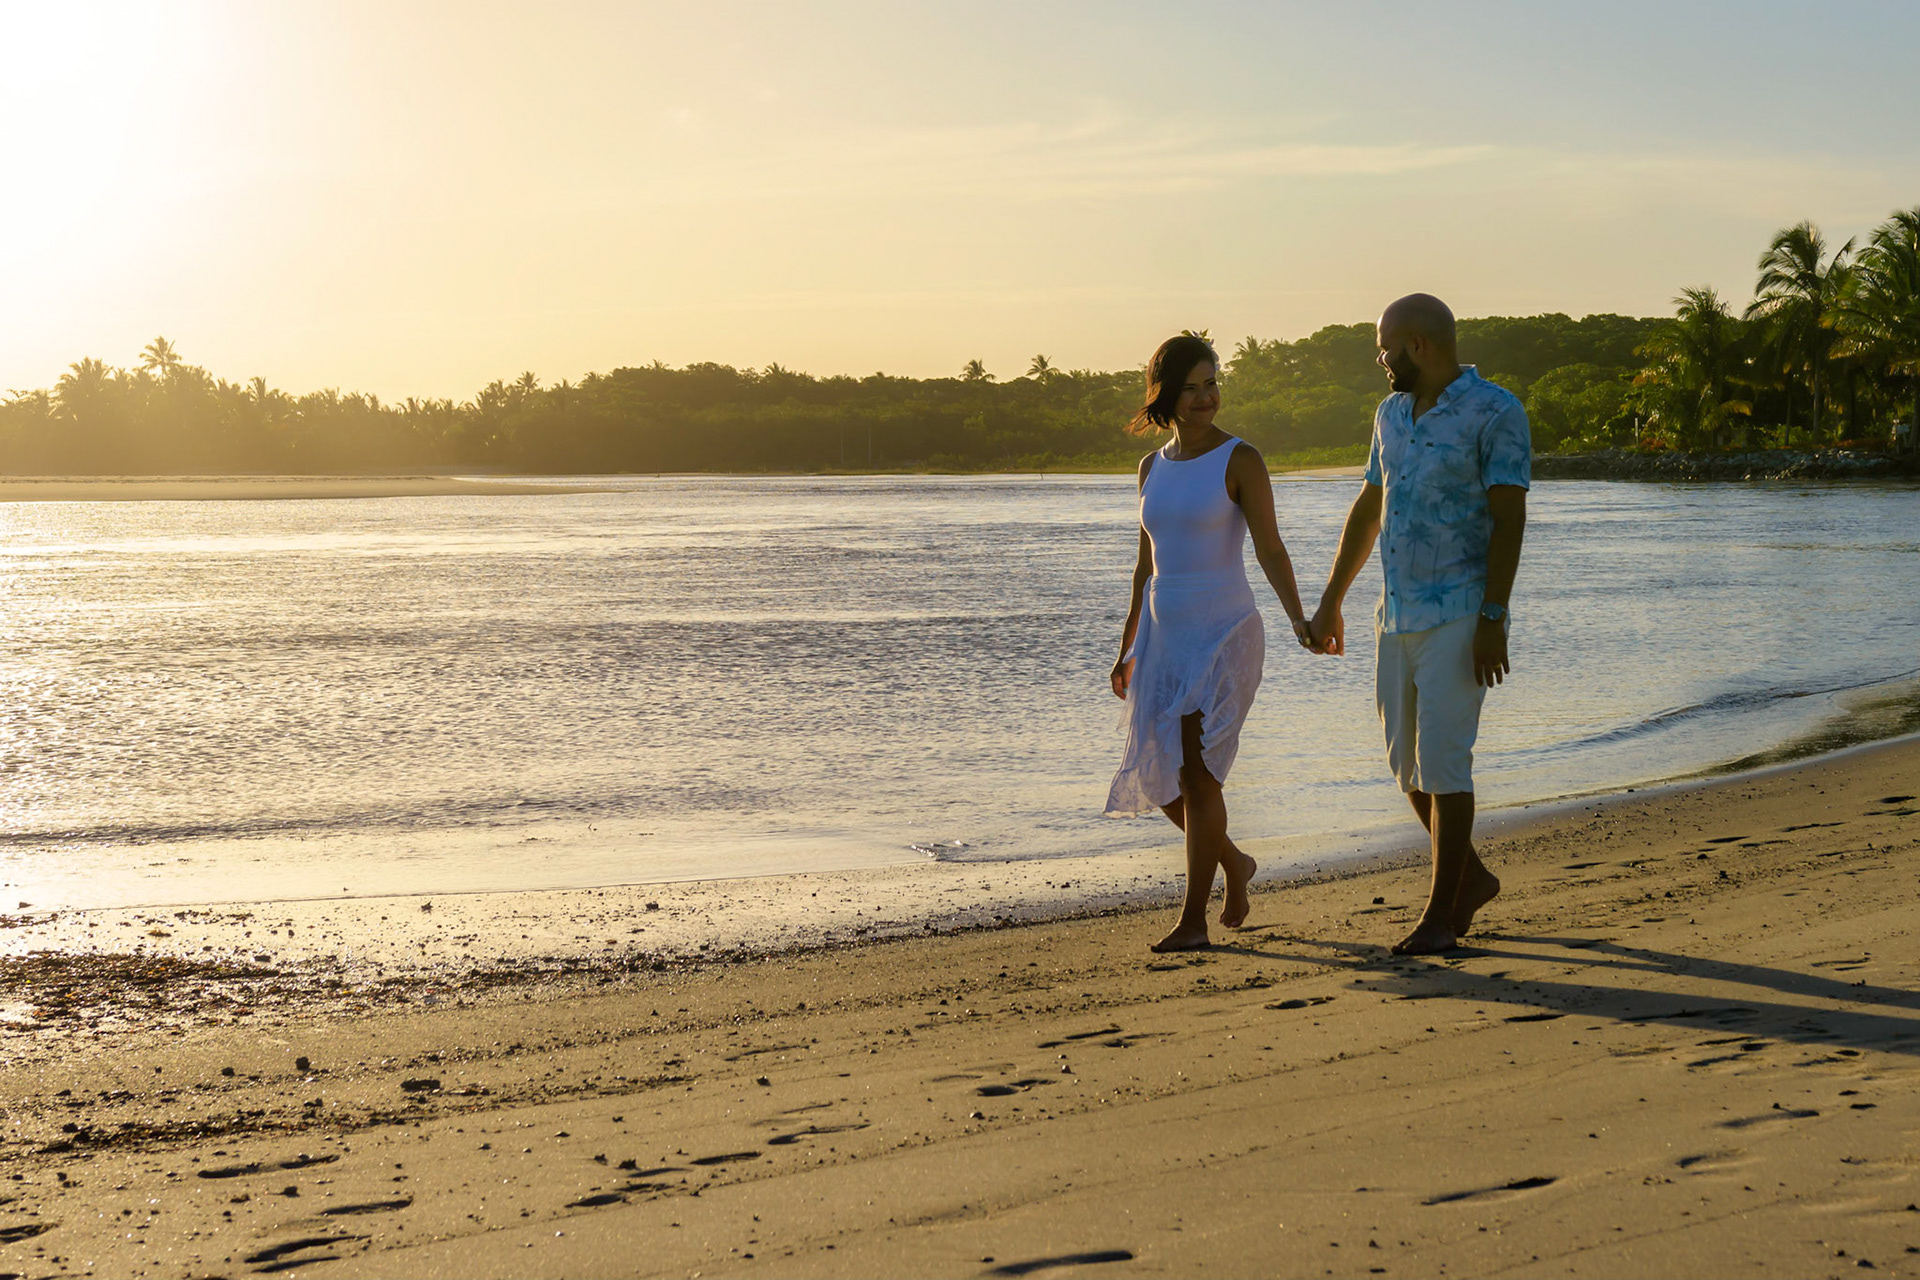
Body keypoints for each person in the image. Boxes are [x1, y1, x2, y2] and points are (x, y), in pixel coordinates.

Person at [1308, 294, 1530, 955]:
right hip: (1397, 612)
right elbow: (1371, 504)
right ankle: (1471, 879)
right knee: (1407, 766)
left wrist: (1495, 614)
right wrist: (1332, 600)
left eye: (1385, 348)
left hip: (1462, 609)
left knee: (1444, 762)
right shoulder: (1390, 414)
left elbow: (1510, 518)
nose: (1381, 360)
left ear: (1418, 345)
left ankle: (1440, 918)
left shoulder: (1497, 411)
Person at [1107, 333, 1315, 953]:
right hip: (1164, 633)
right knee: (1159, 774)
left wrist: (1301, 618)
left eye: (1212, 384)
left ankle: (1193, 920)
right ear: (1166, 394)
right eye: (1191, 387)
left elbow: (1271, 548)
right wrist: (1127, 646)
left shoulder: (1240, 459)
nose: (1205, 398)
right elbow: (1146, 567)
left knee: (1199, 778)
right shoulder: (1151, 467)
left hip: (1224, 631)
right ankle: (1235, 862)